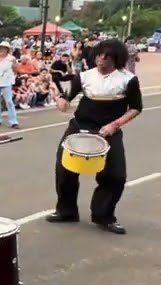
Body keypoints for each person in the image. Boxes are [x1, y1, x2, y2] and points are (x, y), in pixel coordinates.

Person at [46, 38, 143, 234]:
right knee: (64, 170)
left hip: (108, 131)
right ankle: (66, 211)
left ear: (116, 58)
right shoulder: (84, 76)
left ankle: (103, 216)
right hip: (80, 127)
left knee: (115, 175)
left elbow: (136, 108)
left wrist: (114, 125)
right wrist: (58, 97)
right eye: (99, 54)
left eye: (107, 56)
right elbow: (66, 103)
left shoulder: (128, 79)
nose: (101, 59)